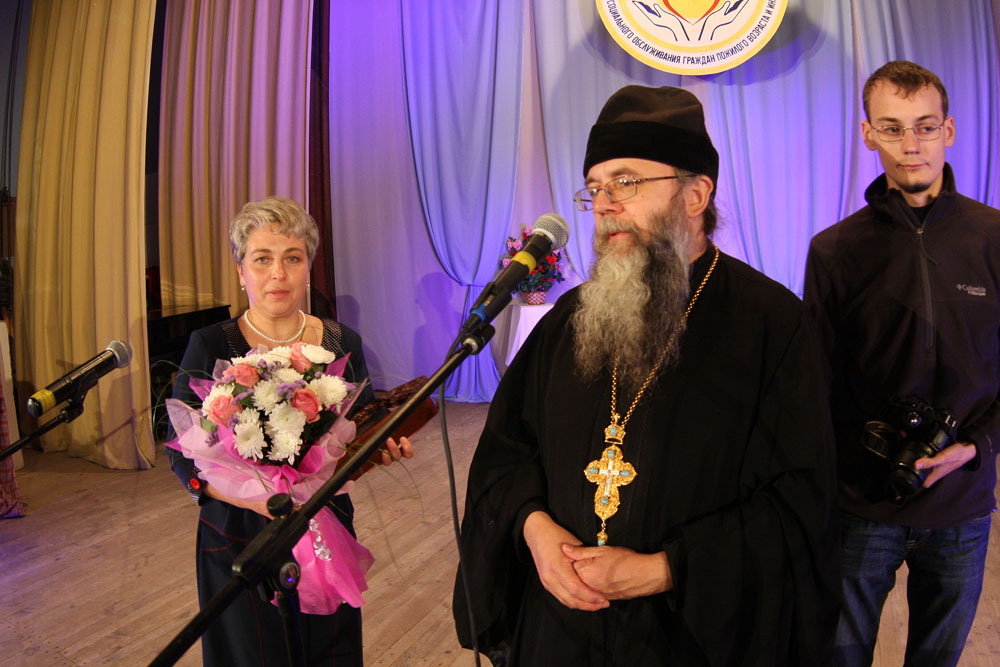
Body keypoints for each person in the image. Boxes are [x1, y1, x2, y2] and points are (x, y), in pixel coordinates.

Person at [453, 85, 840, 665]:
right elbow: (508, 454)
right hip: (562, 628)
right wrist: (535, 530)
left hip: (690, 637)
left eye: (626, 183)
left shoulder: (771, 325)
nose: (604, 204)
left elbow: (799, 502)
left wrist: (666, 568)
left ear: (695, 194)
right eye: (595, 188)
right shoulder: (565, 322)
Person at [803, 60, 1000, 667]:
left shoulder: (994, 238)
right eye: (892, 128)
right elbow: (816, 383)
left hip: (962, 501)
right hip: (862, 505)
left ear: (949, 131)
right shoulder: (834, 250)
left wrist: (976, 446)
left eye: (925, 126)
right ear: (868, 135)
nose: (910, 143)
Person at [167, 197, 413, 666]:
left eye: (292, 258)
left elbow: (358, 431)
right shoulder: (210, 343)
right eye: (262, 259)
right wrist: (248, 499)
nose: (278, 274)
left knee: (329, 651)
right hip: (237, 531)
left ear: (308, 268)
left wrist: (378, 450)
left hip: (324, 524)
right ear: (241, 272)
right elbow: (181, 454)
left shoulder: (341, 342)